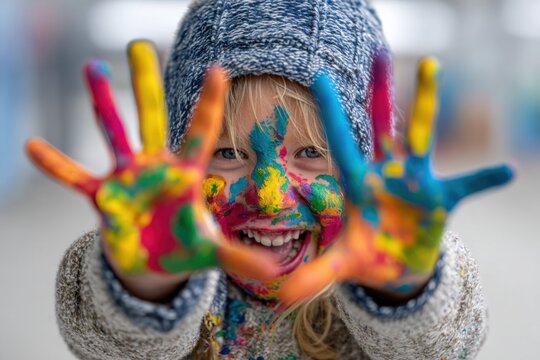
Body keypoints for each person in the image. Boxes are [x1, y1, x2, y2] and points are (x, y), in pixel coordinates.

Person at [26, 0, 514, 359]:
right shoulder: (148, 257)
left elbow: (446, 342)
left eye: (310, 154)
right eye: (229, 153)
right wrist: (145, 284)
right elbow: (103, 340)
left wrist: (404, 288)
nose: (269, 193)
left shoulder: (395, 262)